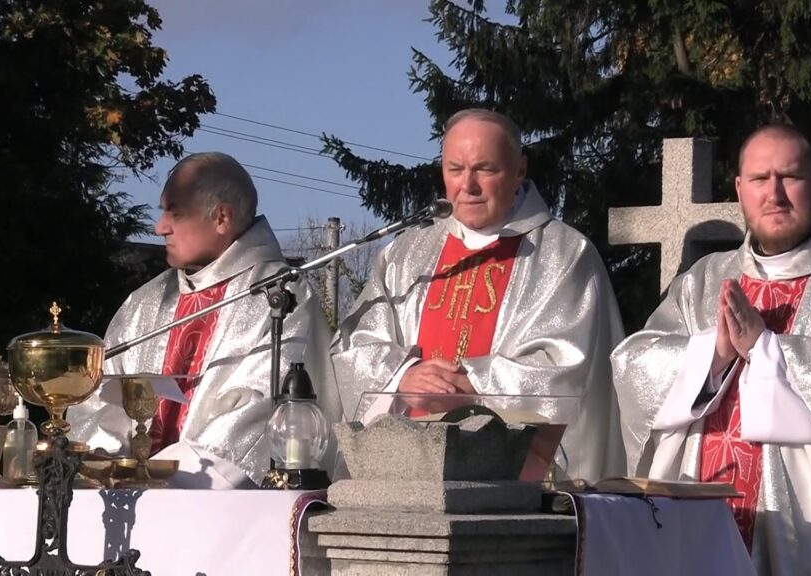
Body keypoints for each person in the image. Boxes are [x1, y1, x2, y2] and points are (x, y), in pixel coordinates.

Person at [611, 124, 811, 574]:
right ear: (740, 190)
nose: (774, 194)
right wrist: (712, 354)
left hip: (809, 534)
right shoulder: (703, 279)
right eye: (760, 180)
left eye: (790, 177)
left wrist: (766, 351)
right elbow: (633, 363)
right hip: (696, 522)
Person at [330, 109, 626, 482]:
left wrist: (470, 385)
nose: (467, 186)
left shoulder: (565, 255)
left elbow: (568, 367)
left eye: (484, 169)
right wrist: (403, 377)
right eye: (455, 169)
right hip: (404, 471)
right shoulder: (405, 254)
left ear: (519, 170)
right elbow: (357, 343)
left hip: (515, 480)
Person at [68, 152, 342, 488]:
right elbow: (101, 394)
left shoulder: (282, 295)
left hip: (219, 506)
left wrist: (165, 479)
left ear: (222, 217)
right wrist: (107, 462)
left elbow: (260, 411)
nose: (160, 228)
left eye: (175, 213)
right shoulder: (145, 303)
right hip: (123, 501)